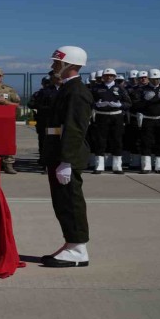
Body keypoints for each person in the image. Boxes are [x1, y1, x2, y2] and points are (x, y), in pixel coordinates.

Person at [41, 46, 93, 268]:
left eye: (56, 63)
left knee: (70, 202)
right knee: (62, 202)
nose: (53, 66)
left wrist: (67, 161)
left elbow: (74, 129)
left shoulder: (76, 92)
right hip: (59, 154)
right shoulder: (67, 89)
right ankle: (71, 244)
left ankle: (78, 248)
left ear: (69, 65)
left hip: (66, 156)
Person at [131, 68, 160, 174]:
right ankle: (146, 165)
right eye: (153, 79)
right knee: (146, 142)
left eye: (158, 78)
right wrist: (145, 100)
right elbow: (134, 107)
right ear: (149, 79)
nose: (156, 81)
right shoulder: (141, 91)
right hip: (148, 119)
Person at [90, 68, 131, 174]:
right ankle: (99, 166)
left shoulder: (120, 88)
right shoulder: (96, 88)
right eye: (106, 75)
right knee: (100, 141)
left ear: (114, 77)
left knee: (117, 140)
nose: (108, 77)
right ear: (102, 77)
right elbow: (89, 102)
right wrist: (96, 105)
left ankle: (117, 166)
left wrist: (120, 105)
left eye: (111, 75)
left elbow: (128, 103)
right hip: (101, 116)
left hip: (116, 116)